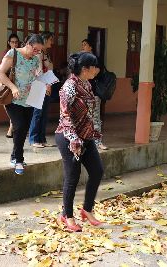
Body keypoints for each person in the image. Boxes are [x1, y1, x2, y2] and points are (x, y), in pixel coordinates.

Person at [55, 52, 104, 232]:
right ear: (85, 69)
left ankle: (87, 210)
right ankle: (66, 215)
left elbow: (91, 113)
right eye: (95, 66)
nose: (97, 69)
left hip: (86, 136)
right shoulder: (69, 86)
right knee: (72, 176)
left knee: (97, 171)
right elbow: (65, 115)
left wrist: (95, 133)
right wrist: (74, 140)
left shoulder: (87, 84)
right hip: (68, 137)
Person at [0, 34, 44, 175]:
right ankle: (18, 159)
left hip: (29, 99)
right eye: (35, 49)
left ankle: (14, 156)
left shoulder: (35, 60)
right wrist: (13, 87)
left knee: (23, 130)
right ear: (28, 44)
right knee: (19, 126)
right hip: (13, 98)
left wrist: (44, 83)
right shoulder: (13, 53)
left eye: (39, 51)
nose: (37, 53)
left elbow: (36, 76)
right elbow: (0, 74)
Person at [81, 39, 108, 150]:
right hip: (82, 92)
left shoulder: (95, 59)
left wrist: (86, 73)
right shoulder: (81, 59)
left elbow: (95, 72)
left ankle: (98, 142)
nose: (82, 47)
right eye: (82, 45)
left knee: (95, 118)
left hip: (94, 92)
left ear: (90, 47)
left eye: (85, 45)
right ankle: (84, 141)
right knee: (82, 117)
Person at [29, 31, 55, 148]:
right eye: (50, 40)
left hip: (45, 84)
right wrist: (47, 85)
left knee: (44, 114)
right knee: (37, 113)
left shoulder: (46, 53)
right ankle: (34, 139)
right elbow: (39, 71)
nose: (52, 42)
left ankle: (42, 138)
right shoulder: (38, 53)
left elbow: (49, 69)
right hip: (38, 85)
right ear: (44, 40)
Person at [2, 33, 20, 139]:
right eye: (12, 42)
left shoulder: (19, 53)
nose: (14, 44)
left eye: (16, 42)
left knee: (15, 105)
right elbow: (2, 69)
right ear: (9, 43)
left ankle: (11, 128)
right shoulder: (7, 53)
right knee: (7, 104)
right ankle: (13, 126)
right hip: (7, 82)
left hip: (17, 82)